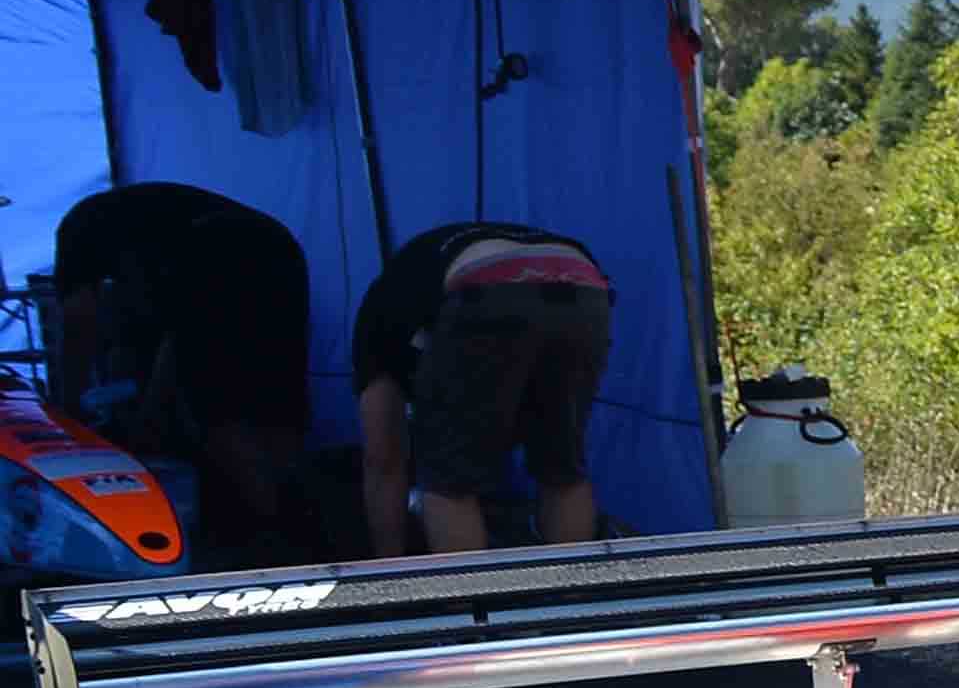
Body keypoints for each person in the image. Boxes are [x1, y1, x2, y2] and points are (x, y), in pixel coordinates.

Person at [48, 182, 313, 555]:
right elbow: (173, 346)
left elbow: (78, 321)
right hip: (279, 250)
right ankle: (299, 516)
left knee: (221, 411)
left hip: (218, 250)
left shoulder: (80, 235)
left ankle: (270, 535)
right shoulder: (138, 236)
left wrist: (67, 409)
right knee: (275, 396)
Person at [353, 221, 613, 557]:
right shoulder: (417, 282)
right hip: (583, 281)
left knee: (450, 484)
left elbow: (382, 457)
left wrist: (389, 563)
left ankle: (467, 592)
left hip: (485, 284)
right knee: (562, 470)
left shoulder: (376, 321)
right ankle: (573, 586)